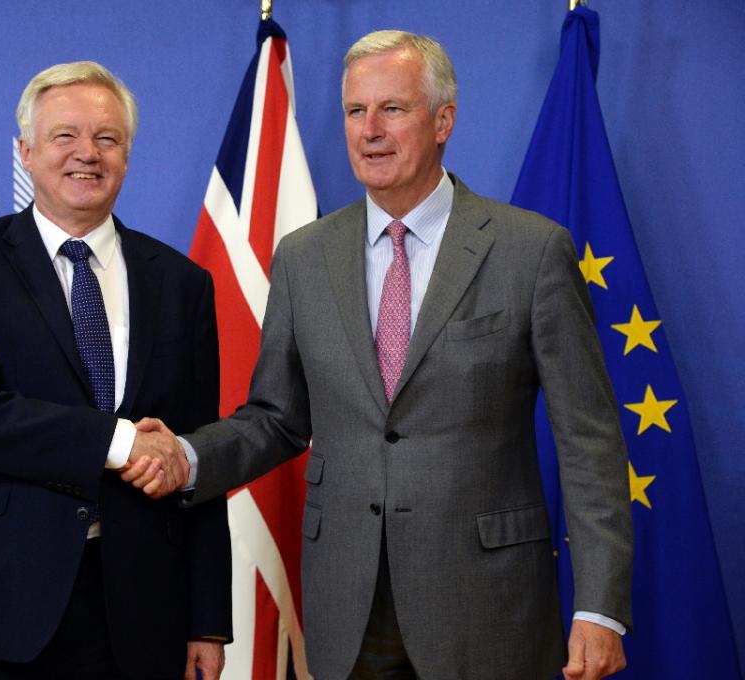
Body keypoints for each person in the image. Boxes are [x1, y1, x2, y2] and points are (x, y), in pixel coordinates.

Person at [126, 31, 632, 680]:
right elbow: (277, 419)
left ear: (443, 120)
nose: (369, 129)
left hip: (487, 605)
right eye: (354, 111)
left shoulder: (529, 251)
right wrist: (190, 456)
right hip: (347, 607)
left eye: (392, 108)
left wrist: (600, 608)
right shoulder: (304, 258)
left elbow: (588, 440)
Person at [0, 61, 231, 679]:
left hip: (146, 610)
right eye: (65, 136)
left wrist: (208, 619)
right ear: (26, 152)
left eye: (107, 139)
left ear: (128, 156)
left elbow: (195, 452)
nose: (87, 153)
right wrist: (118, 443)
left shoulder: (182, 283)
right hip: (3, 603)